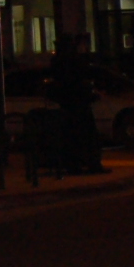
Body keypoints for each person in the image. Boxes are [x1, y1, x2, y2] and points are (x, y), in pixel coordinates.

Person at [48, 43, 102, 174]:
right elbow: (80, 82)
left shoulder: (59, 64)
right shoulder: (72, 64)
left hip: (69, 105)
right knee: (86, 136)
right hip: (78, 105)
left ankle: (75, 165)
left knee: (72, 137)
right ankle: (89, 164)